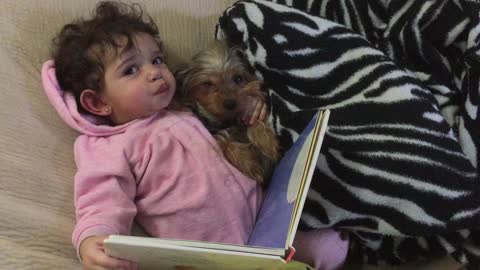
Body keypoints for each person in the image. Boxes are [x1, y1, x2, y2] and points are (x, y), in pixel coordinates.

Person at [41, 1, 348, 269]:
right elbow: (100, 198)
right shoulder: (108, 145)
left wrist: (252, 104)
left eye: (157, 59)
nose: (154, 72)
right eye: (131, 70)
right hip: (209, 256)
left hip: (265, 224)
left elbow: (231, 107)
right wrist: (91, 239)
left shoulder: (182, 108)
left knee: (332, 247)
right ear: (98, 102)